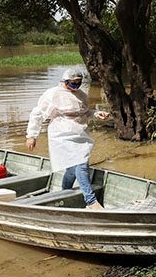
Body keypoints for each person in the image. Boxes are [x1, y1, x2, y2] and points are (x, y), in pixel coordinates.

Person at [26, 66, 109, 210]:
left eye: (79, 82)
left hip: (79, 133)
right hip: (62, 134)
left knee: (72, 169)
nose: (76, 85)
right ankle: (91, 202)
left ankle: (64, 193)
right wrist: (32, 136)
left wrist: (96, 114)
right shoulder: (53, 94)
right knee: (81, 165)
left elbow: (85, 113)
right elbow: (37, 114)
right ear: (65, 81)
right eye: (73, 82)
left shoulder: (81, 95)